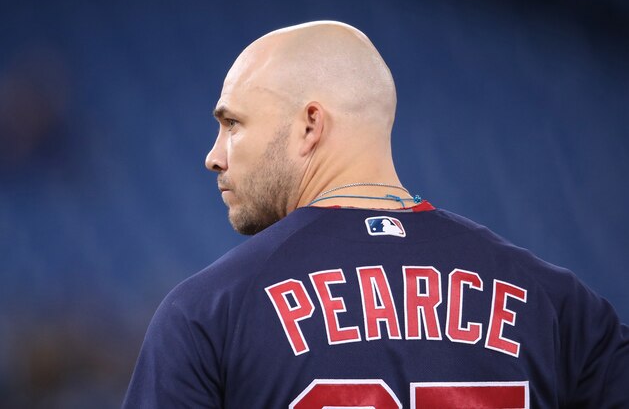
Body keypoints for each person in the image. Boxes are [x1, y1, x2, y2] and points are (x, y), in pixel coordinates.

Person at [123, 21, 629, 408]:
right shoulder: (559, 305)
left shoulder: (209, 313)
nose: (214, 155)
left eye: (232, 123)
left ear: (309, 126)